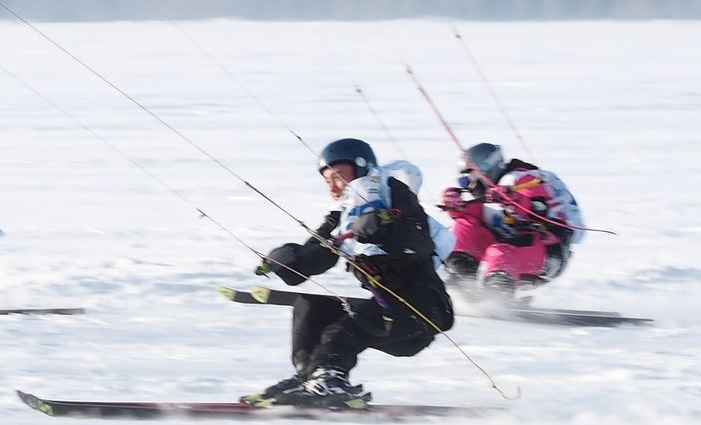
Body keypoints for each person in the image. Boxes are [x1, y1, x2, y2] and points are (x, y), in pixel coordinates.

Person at [248, 137, 455, 405]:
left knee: (342, 330)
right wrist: (289, 261)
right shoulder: (342, 219)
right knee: (310, 306)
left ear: (360, 169)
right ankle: (311, 374)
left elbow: (415, 246)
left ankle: (330, 378)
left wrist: (382, 231)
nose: (332, 186)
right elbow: (317, 258)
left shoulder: (394, 197)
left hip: (422, 310)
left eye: (338, 176)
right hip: (387, 307)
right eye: (327, 180)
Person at [438, 141, 584, 298]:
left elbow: (534, 207)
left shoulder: (522, 179)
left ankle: (497, 296)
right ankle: (462, 279)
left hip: (547, 255)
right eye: (463, 181)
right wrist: (457, 207)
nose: (467, 185)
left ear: (486, 169)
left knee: (500, 252)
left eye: (468, 179)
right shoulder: (491, 195)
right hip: (509, 253)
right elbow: (472, 223)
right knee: (462, 227)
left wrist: (512, 199)